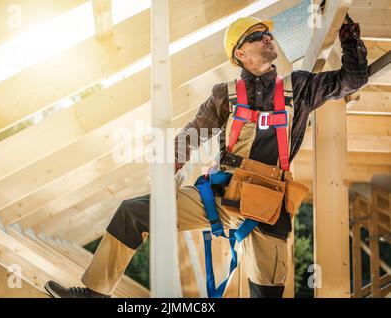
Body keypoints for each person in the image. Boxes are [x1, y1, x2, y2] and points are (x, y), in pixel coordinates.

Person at [44, 14, 368, 298]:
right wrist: (162, 171)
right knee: (134, 212)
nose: (268, 37)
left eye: (267, 33)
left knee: (266, 291)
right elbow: (189, 138)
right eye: (257, 35)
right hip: (221, 197)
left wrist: (346, 30)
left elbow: (353, 79)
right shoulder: (224, 95)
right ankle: (95, 292)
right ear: (240, 53)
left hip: (268, 208)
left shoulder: (299, 88)